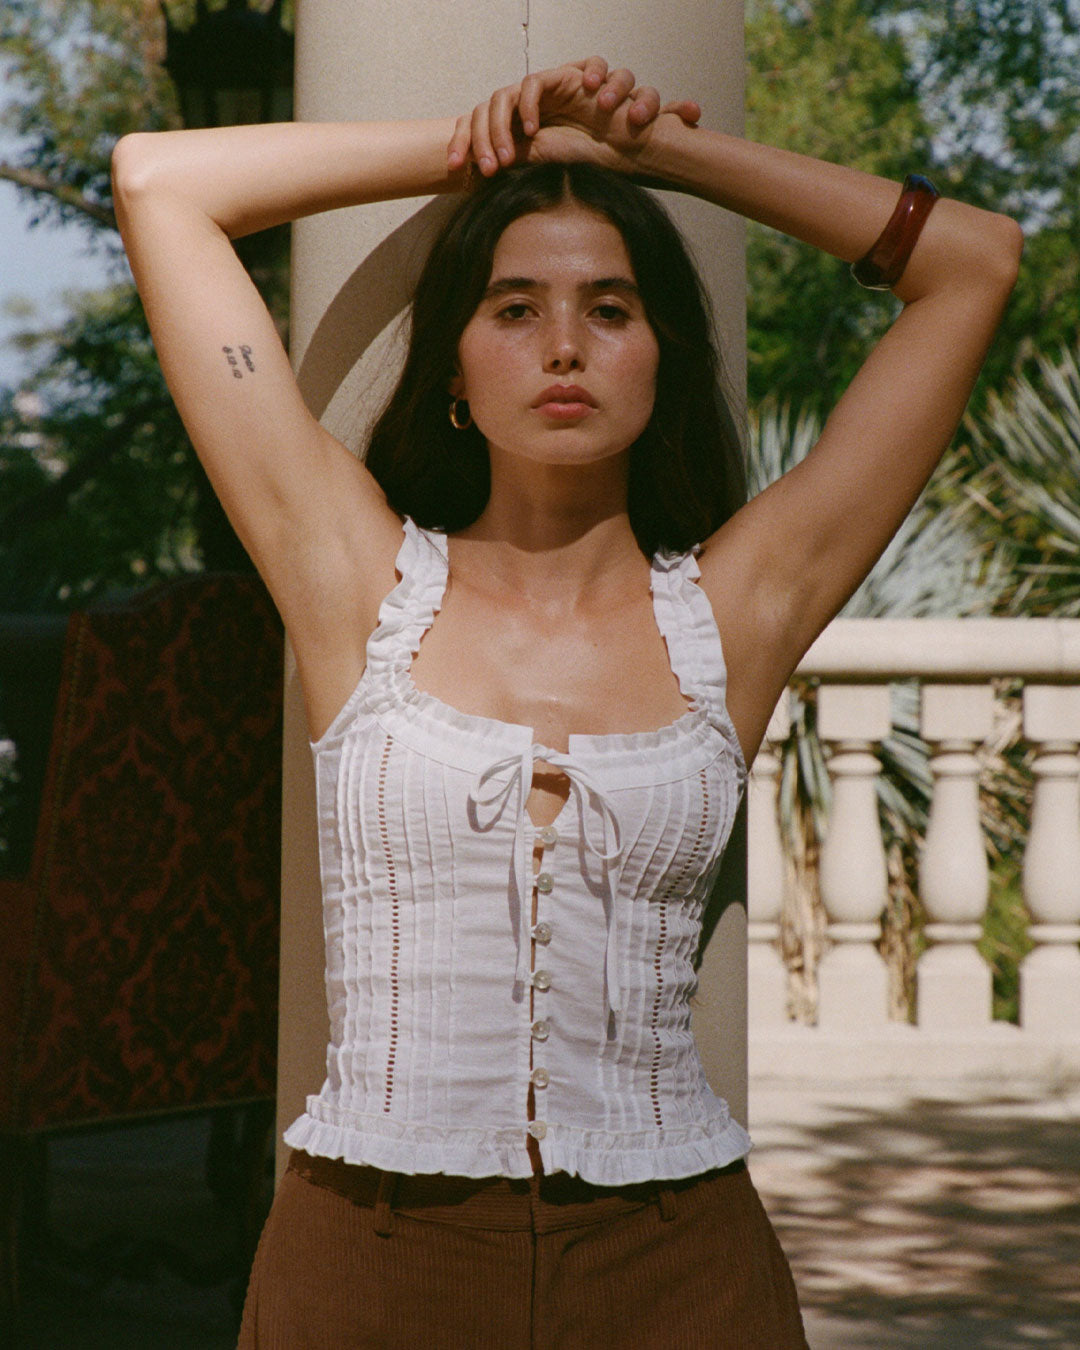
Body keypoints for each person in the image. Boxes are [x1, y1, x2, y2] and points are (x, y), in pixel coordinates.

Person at [112, 56, 1021, 1348]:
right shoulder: (354, 580)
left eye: (610, 308)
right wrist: (480, 141)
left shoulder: (735, 615)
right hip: (366, 1261)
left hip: (676, 1263)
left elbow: (974, 264)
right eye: (514, 306)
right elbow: (159, 184)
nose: (562, 347)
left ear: (661, 357)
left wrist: (658, 156)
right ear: (453, 368)